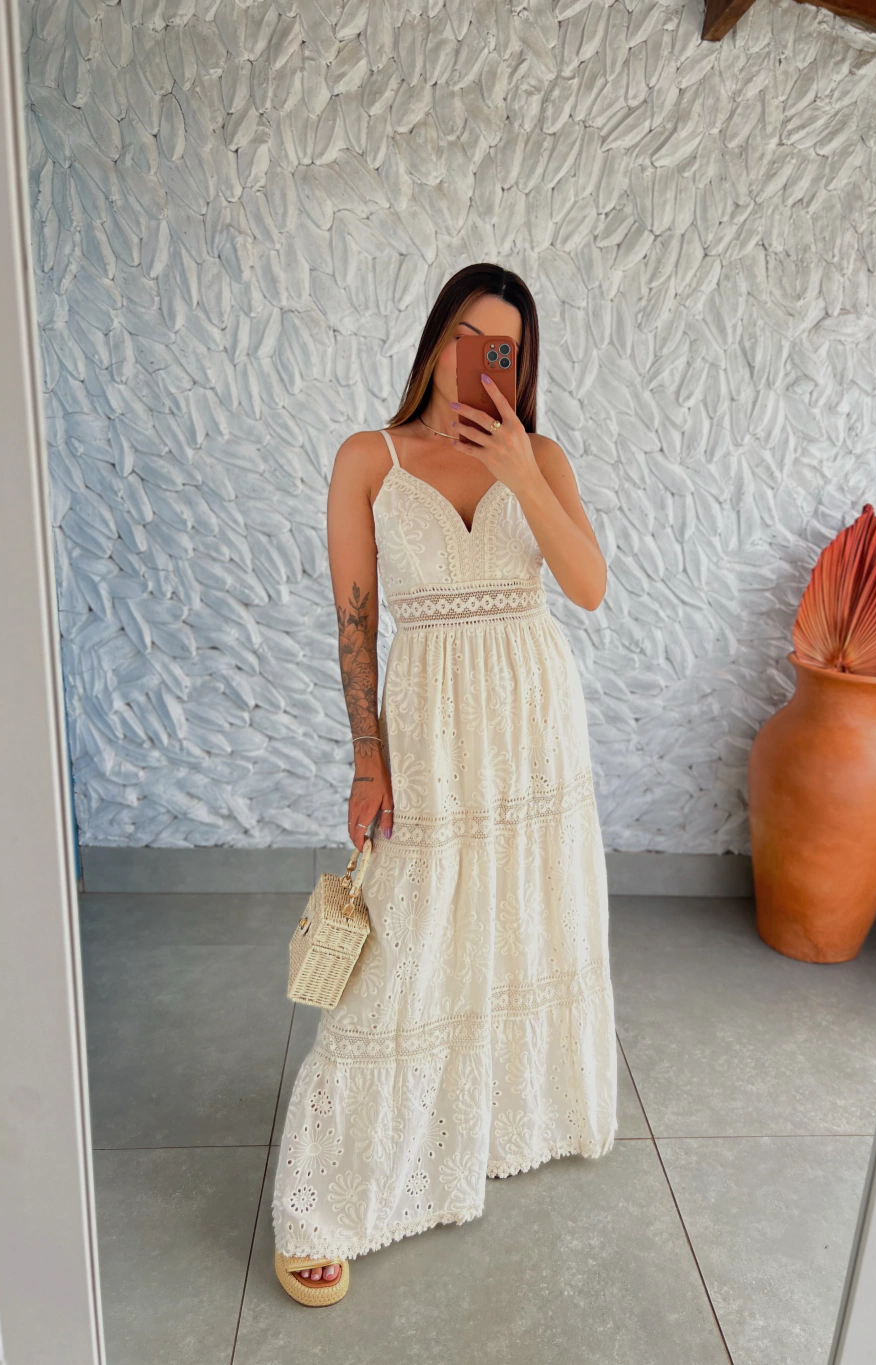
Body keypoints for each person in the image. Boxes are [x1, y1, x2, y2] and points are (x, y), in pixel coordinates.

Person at [272, 263, 618, 1306]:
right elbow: (354, 625)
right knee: (409, 937)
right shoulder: (367, 459)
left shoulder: (540, 456)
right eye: (466, 337)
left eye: (501, 348)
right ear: (434, 341)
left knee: (522, 916)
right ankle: (328, 1193)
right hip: (428, 729)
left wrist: (518, 468)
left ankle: (497, 1122)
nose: (479, 362)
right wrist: (366, 756)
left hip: (532, 721)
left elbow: (589, 588)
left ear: (522, 362)